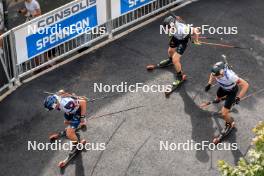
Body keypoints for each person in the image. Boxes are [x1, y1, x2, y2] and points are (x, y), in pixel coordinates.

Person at [150, 15, 200, 86]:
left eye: (168, 27)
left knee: (175, 59)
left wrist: (196, 40)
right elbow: (178, 17)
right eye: (166, 27)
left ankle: (180, 77)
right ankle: (170, 61)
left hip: (182, 41)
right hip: (175, 38)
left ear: (173, 25)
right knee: (170, 51)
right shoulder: (172, 24)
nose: (166, 29)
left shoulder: (183, 29)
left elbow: (196, 30)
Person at [204, 61, 249, 133]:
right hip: (223, 88)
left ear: (222, 73)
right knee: (218, 96)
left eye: (217, 76)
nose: (215, 77)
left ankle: (230, 123)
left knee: (224, 114)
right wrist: (209, 83)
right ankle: (220, 99)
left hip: (232, 91)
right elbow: (212, 74)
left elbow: (246, 85)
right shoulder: (217, 72)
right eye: (215, 76)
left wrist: (238, 98)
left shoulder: (231, 76)